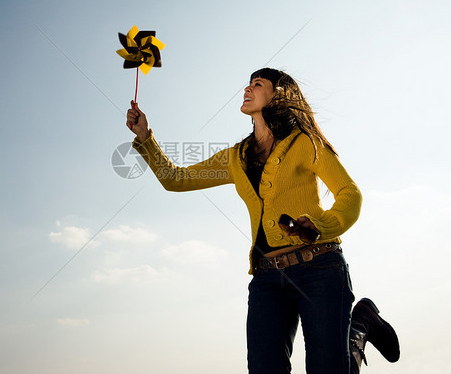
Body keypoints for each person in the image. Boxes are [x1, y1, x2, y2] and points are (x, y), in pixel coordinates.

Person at [126, 67, 399, 374]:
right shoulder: (235, 156)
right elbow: (175, 179)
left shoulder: (305, 143)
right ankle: (357, 327)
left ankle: (357, 329)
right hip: (268, 279)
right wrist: (145, 137)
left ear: (278, 95)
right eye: (248, 83)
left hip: (320, 268)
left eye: (257, 84)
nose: (248, 88)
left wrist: (322, 225)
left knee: (328, 368)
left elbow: (349, 194)